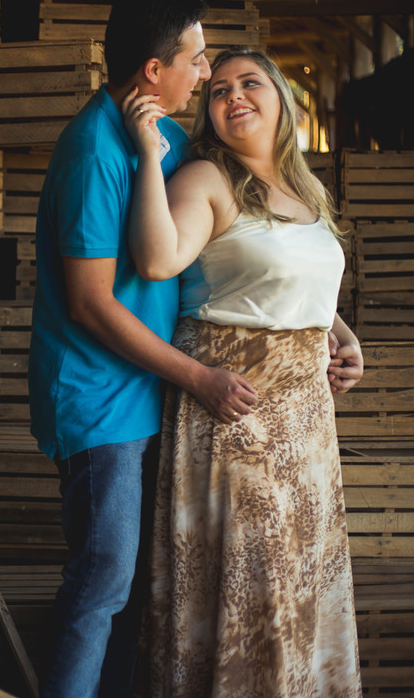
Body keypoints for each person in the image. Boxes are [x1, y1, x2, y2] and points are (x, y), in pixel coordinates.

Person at [29, 0, 259, 698]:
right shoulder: (95, 151)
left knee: (137, 587)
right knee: (103, 579)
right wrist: (197, 377)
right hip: (101, 400)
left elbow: (237, 238)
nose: (205, 73)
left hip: (151, 392)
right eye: (197, 60)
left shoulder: (168, 140)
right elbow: (89, 302)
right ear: (154, 70)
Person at [121, 46, 365, 696]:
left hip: (307, 426)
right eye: (219, 89)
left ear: (281, 97)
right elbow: (157, 259)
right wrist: (147, 155)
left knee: (300, 584)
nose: (233, 96)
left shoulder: (304, 189)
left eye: (249, 83)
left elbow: (300, 284)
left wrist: (341, 336)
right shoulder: (206, 178)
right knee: (250, 592)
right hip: (237, 412)